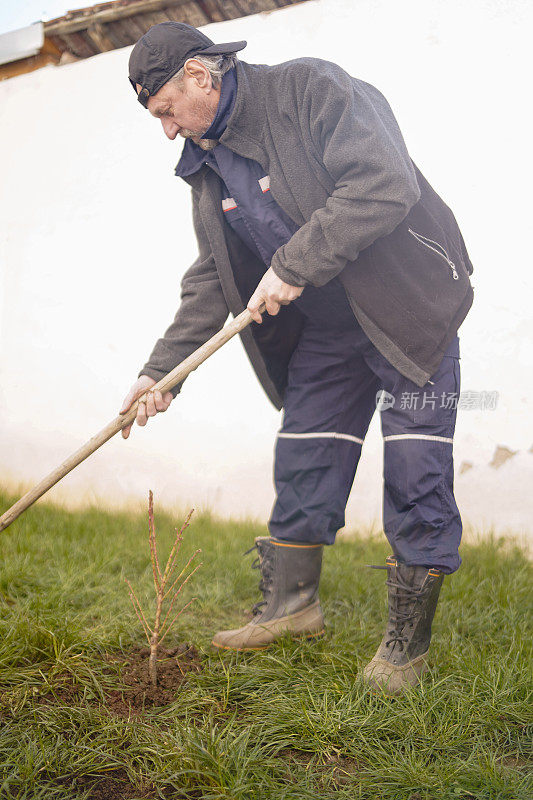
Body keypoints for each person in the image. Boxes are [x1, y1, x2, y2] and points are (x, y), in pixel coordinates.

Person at [121, 22, 474, 696]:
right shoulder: (208, 160)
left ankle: (405, 648)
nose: (166, 130)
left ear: (201, 75)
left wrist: (293, 262)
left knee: (414, 464)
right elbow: (213, 278)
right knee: (306, 454)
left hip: (405, 309)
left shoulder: (311, 89)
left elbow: (381, 183)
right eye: (156, 118)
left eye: (166, 110)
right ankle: (291, 607)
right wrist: (161, 371)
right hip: (326, 327)